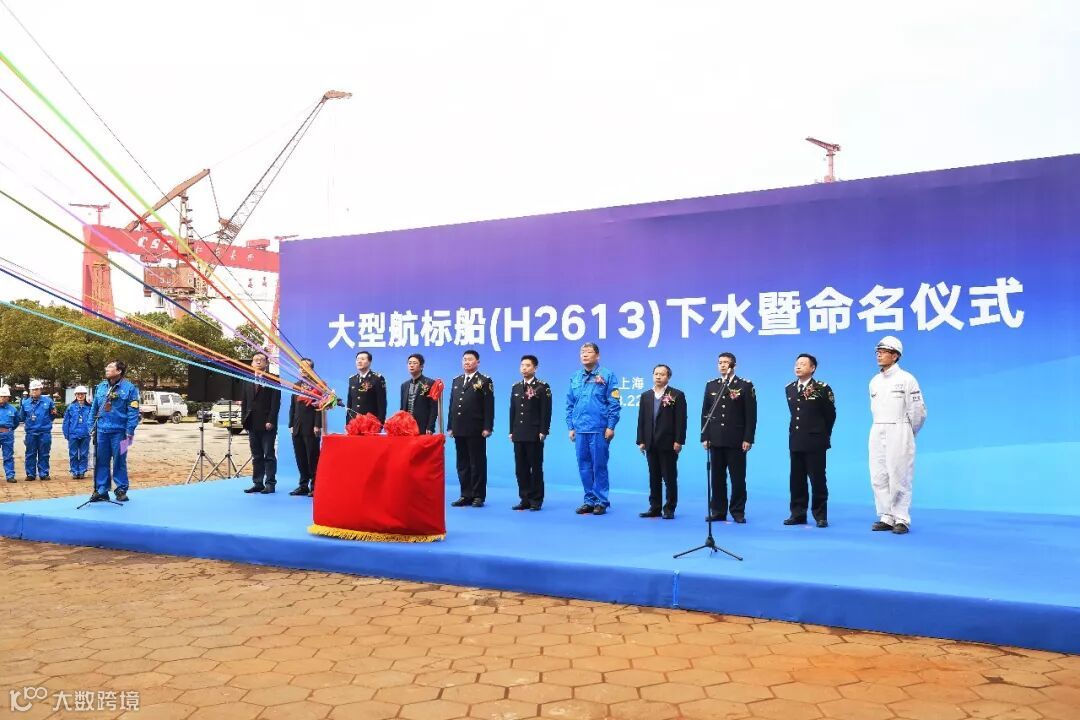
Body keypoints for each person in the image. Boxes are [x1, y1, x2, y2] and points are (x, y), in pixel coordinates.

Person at [869, 336, 927, 535]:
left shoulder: (907, 379)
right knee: (879, 474)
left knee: (899, 475)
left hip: (900, 429)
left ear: (895, 356)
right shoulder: (874, 382)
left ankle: (901, 518)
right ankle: (886, 515)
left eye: (884, 352)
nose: (879, 355)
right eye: (878, 352)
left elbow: (918, 412)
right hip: (877, 428)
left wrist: (908, 433)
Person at [700, 352, 756, 523]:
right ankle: (718, 511)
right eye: (720, 362)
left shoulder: (745, 385)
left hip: (736, 440)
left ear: (734, 366)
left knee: (737, 479)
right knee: (717, 478)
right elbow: (705, 413)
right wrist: (705, 436)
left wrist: (748, 438)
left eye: (726, 362)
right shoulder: (711, 385)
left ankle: (738, 511)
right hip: (715, 439)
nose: (722, 365)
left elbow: (751, 415)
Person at [566, 342, 621, 516]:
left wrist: (611, 426)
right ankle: (589, 500)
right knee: (584, 466)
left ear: (597, 356)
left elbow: (614, 403)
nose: (584, 354)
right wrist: (571, 426)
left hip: (599, 428)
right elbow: (570, 404)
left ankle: (601, 501)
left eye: (589, 352)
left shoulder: (607, 375)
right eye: (582, 352)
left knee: (599, 466)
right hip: (580, 429)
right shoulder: (575, 377)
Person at [784, 354, 836, 528]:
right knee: (796, 480)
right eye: (797, 364)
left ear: (812, 368)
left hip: (815, 441)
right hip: (796, 440)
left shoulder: (822, 388)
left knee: (817, 479)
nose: (798, 366)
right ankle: (798, 514)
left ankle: (820, 515)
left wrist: (822, 434)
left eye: (803, 364)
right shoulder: (790, 388)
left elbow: (830, 415)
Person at [636, 364, 687, 520]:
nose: (658, 377)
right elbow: (641, 420)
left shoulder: (676, 395)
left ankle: (669, 508)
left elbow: (681, 420)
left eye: (662, 374)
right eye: (656, 374)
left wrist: (678, 441)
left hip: (668, 442)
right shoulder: (646, 395)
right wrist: (641, 440)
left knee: (669, 477)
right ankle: (655, 507)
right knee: (654, 477)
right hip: (650, 442)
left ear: (668, 377)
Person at [447, 349, 494, 507]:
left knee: (477, 463)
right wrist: (450, 426)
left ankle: (478, 496)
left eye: (470, 359)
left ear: (477, 362)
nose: (466, 362)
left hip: (476, 428)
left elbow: (489, 406)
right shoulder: (457, 380)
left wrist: (487, 427)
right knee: (462, 463)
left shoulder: (484, 380)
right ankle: (465, 494)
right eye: (464, 359)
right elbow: (452, 405)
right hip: (459, 428)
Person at [88, 361, 141, 502]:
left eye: (110, 367)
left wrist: (130, 430)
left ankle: (121, 489)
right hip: (102, 432)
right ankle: (102, 490)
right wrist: (91, 426)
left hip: (121, 433)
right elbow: (94, 408)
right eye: (107, 367)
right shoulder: (101, 387)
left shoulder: (130, 388)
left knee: (120, 460)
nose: (107, 369)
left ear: (119, 371)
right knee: (101, 461)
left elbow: (133, 411)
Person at [508, 355, 551, 511]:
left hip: (534, 433)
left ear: (535, 368)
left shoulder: (542, 387)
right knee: (521, 468)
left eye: (527, 365)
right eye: (522, 365)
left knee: (535, 467)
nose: (524, 368)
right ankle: (524, 498)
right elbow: (513, 411)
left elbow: (546, 410)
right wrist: (511, 431)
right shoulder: (516, 387)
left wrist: (543, 430)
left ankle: (536, 500)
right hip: (518, 433)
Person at [241, 351, 282, 494]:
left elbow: (275, 403)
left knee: (268, 455)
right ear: (252, 363)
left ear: (266, 363)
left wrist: (271, 420)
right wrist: (244, 421)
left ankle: (270, 483)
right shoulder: (247, 379)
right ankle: (257, 483)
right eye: (255, 359)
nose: (258, 361)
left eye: (261, 359)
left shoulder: (273, 379)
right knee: (256, 455)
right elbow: (245, 402)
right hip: (252, 423)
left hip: (267, 424)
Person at [288, 358, 322, 497]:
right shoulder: (296, 385)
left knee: (312, 457)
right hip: (297, 427)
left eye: (306, 367)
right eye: (301, 367)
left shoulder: (318, 386)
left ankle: (315, 486)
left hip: (311, 427)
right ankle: (303, 485)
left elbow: (320, 407)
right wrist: (291, 424)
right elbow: (292, 406)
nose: (303, 370)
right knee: (300, 457)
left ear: (311, 370)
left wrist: (317, 425)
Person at [21, 379, 56, 481]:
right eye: (32, 390)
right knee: (30, 454)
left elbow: (52, 416)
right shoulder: (25, 403)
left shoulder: (48, 401)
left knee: (44, 454)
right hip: (31, 433)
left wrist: (45, 423)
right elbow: (22, 417)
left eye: (36, 389)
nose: (34, 391)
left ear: (41, 390)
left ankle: (44, 473)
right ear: (30, 391)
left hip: (44, 432)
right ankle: (30, 474)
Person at [400, 353, 438, 434]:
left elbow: (433, 408)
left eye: (415, 363)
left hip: (422, 426)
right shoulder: (404, 385)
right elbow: (402, 408)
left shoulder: (430, 383)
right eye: (409, 363)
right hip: (407, 427)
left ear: (421, 366)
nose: (411, 365)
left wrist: (430, 427)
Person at [347, 351, 387, 423]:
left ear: (369, 362)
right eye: (357, 359)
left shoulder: (377, 378)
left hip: (370, 423)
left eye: (362, 359)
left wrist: (380, 423)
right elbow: (349, 403)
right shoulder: (352, 379)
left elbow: (382, 404)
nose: (359, 361)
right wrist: (348, 423)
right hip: (353, 422)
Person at [62, 386, 94, 480]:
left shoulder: (89, 408)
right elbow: (66, 422)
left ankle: (82, 471)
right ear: (75, 395)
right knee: (73, 454)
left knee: (84, 454)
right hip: (73, 434)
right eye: (78, 394)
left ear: (85, 395)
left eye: (82, 394)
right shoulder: (70, 407)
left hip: (85, 434)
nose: (80, 396)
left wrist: (91, 431)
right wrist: (66, 434)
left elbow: (92, 420)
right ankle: (75, 471)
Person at [0, 386, 20, 483]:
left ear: (8, 397)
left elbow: (16, 422)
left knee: (8, 456)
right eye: (1, 396)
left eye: (5, 396)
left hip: (7, 434)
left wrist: (8, 430)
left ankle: (10, 475)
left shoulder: (13, 409)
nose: (2, 398)